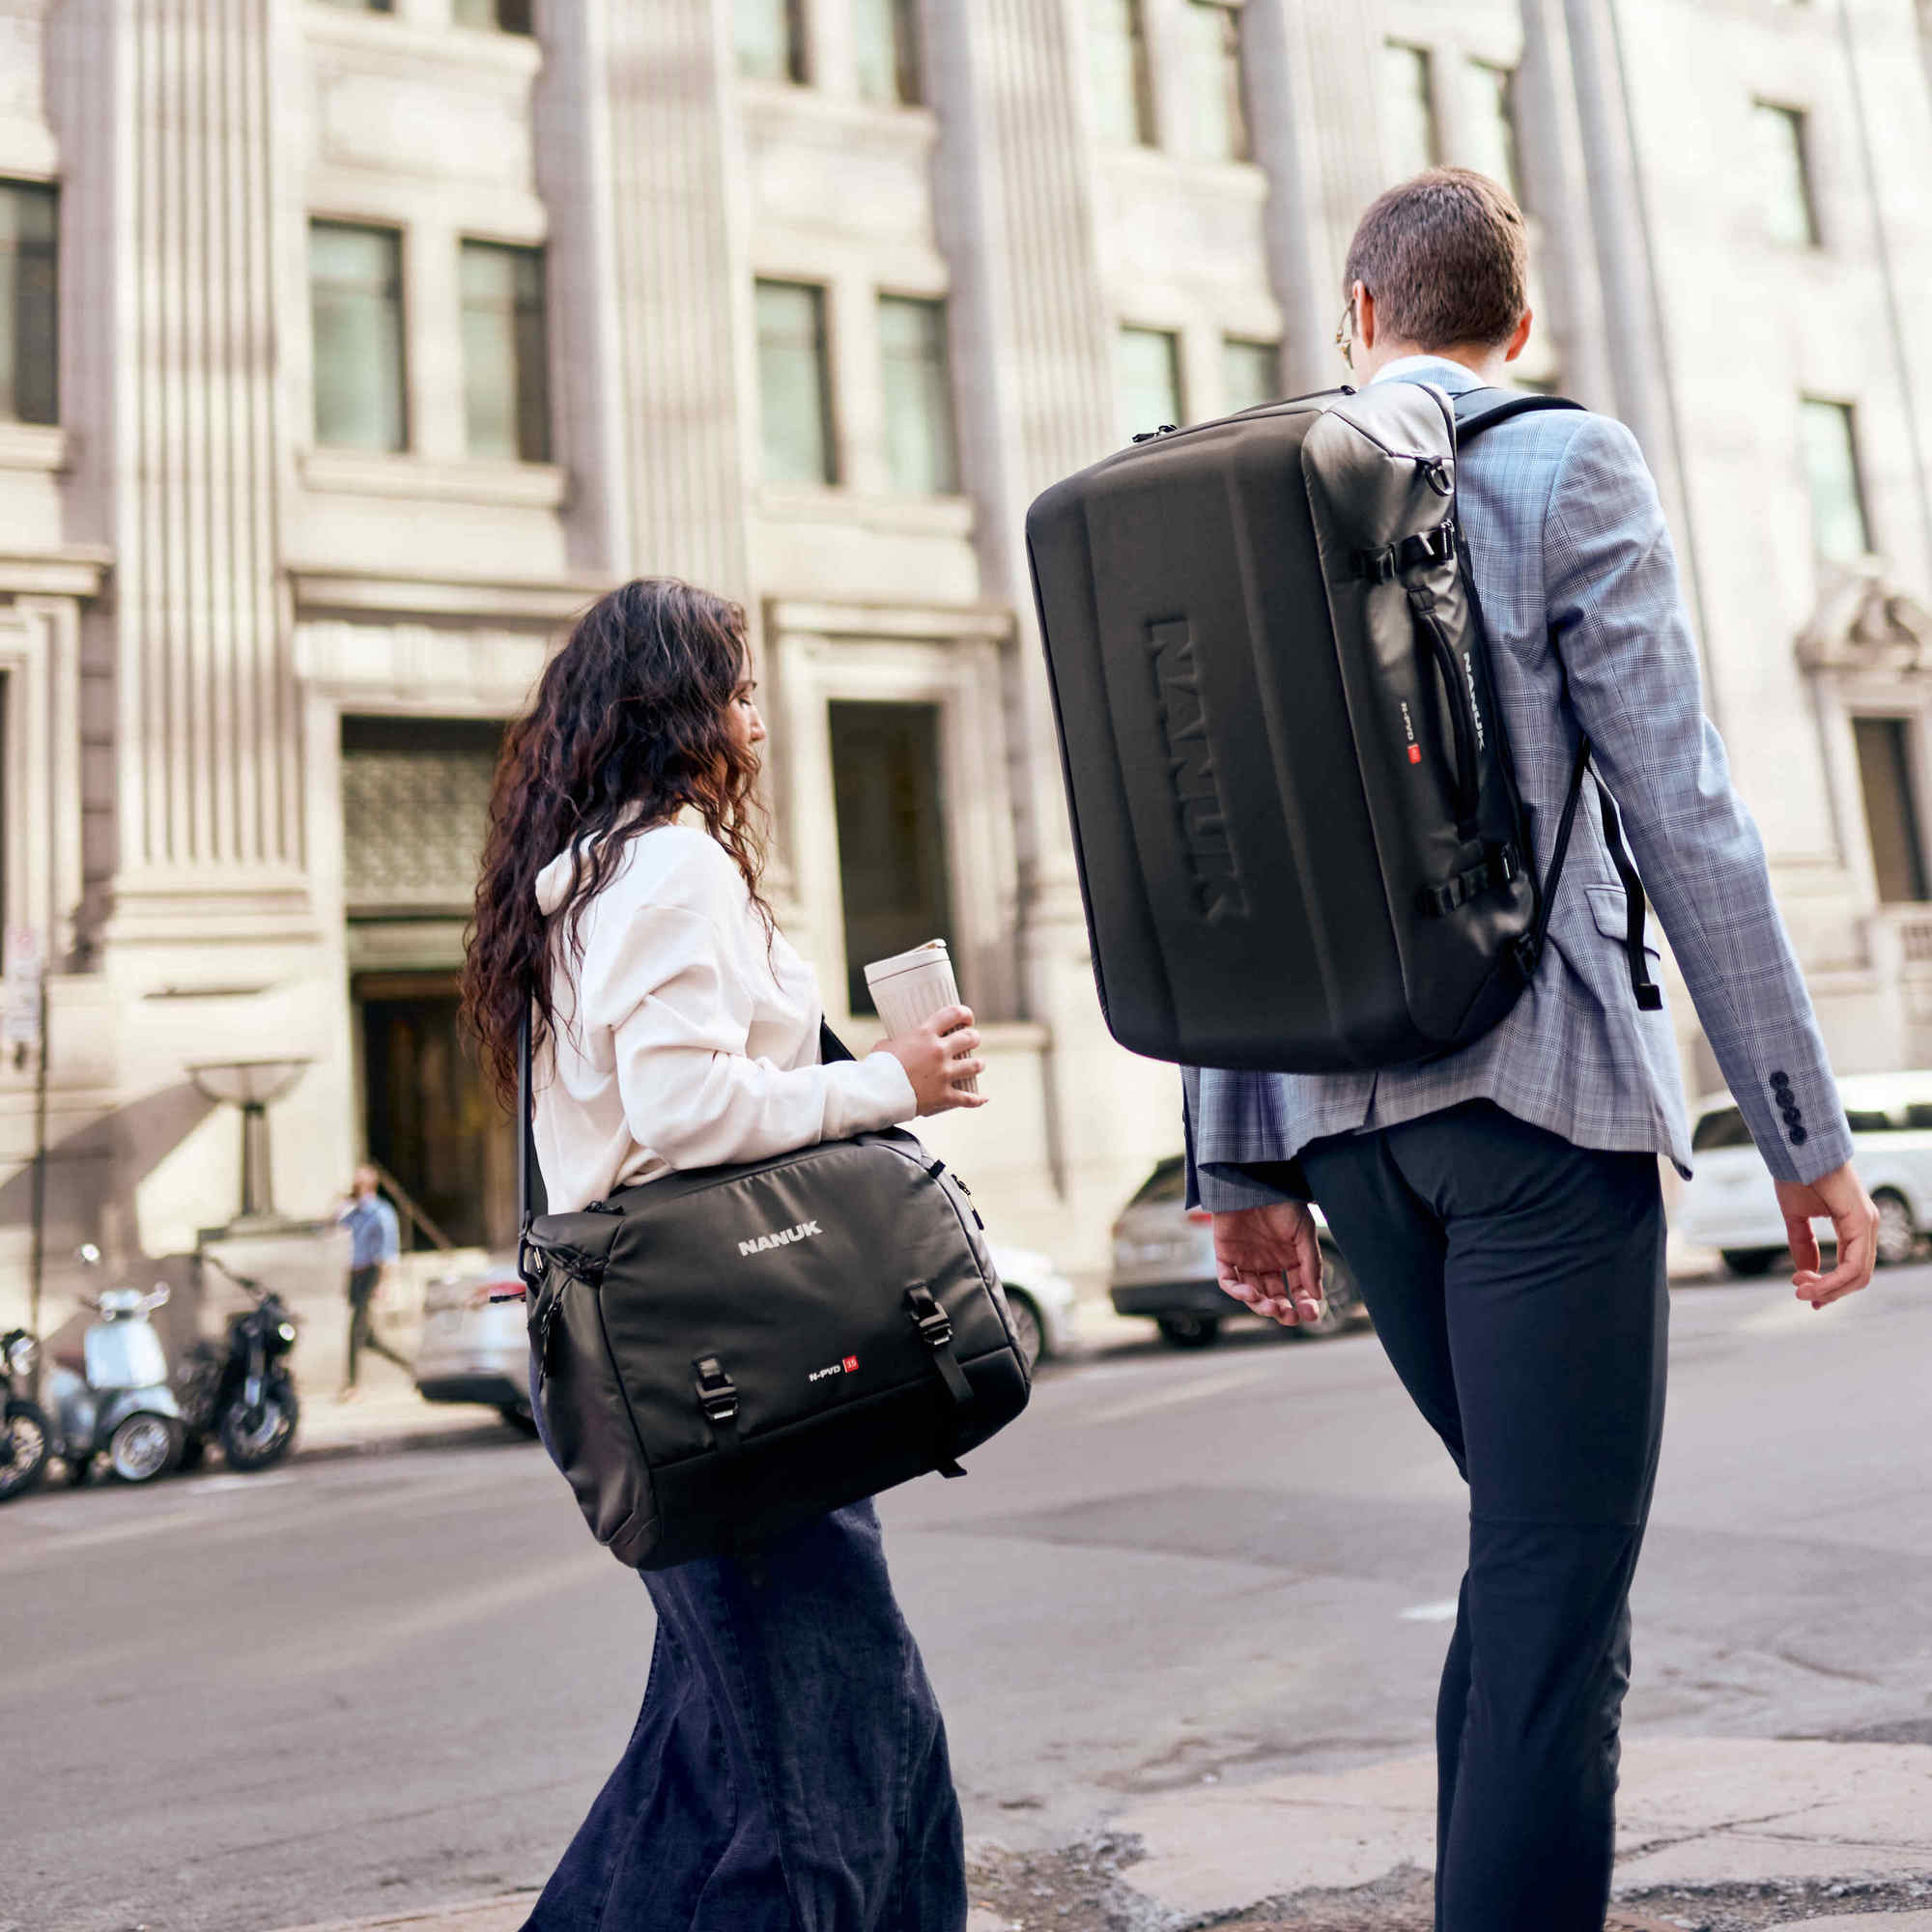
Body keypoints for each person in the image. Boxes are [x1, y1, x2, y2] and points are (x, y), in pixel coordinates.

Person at [1182, 168, 1879, 1932]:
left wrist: (1236, 1161)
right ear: (1521, 329)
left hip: (1342, 1128)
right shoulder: (1568, 465)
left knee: (1526, 1574)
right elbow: (1686, 809)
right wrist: (1799, 1129)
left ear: (1357, 316)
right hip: (1539, 1107)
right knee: (1559, 1589)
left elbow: (1217, 848)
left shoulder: (1254, 485)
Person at [461, 576, 986, 1932]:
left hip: (695, 1374)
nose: (757, 721)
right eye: (739, 692)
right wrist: (888, 1082)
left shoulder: (590, 878)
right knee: (830, 1775)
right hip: (726, 1376)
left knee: (722, 1766)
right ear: (680, 713)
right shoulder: (669, 868)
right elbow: (685, 1115)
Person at [335, 1164, 410, 1397]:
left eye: (358, 1183)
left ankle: (352, 1384)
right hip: (356, 1274)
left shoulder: (381, 1213)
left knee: (355, 1330)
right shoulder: (354, 1212)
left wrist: (383, 1283)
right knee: (369, 1338)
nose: (354, 1187)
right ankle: (411, 1366)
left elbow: (388, 1253)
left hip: (371, 1273)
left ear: (368, 1185)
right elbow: (333, 1223)